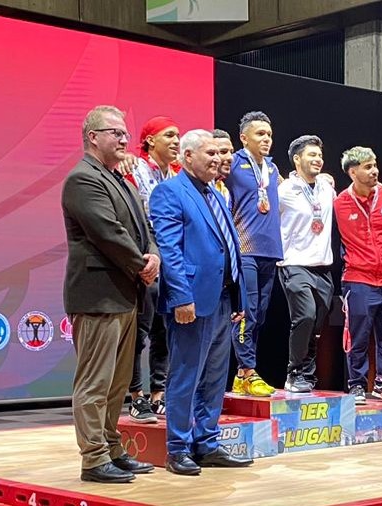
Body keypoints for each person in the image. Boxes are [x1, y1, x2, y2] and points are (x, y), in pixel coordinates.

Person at [61, 105, 160, 483]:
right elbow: (107, 232)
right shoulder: (82, 179)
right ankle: (93, 458)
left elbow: (142, 226)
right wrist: (142, 264)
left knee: (118, 384)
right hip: (97, 294)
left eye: (124, 132)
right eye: (115, 132)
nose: (123, 139)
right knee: (94, 383)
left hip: (124, 293)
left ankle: (113, 448)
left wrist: (152, 254)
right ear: (93, 137)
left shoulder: (120, 179)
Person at [149, 129, 252, 475]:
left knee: (214, 377)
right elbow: (170, 250)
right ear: (187, 157)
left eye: (220, 154)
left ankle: (207, 443)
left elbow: (229, 249)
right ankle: (178, 447)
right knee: (186, 375)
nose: (218, 159)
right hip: (191, 301)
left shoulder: (216, 195)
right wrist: (181, 296)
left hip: (223, 299)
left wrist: (239, 295)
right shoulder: (170, 192)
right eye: (209, 153)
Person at [334, 146, 382, 405]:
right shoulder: (339, 203)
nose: (374, 170)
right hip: (357, 278)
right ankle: (356, 385)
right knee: (358, 335)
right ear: (352, 172)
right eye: (368, 167)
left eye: (375, 164)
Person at [122, 116, 180, 423]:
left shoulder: (177, 173)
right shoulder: (134, 170)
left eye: (178, 135)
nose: (175, 141)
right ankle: (135, 396)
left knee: (165, 329)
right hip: (146, 252)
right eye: (169, 135)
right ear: (149, 141)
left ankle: (159, 393)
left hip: (173, 252)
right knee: (140, 330)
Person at [226, 111, 282, 397]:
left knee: (258, 315)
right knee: (246, 312)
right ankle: (248, 370)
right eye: (260, 134)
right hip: (244, 250)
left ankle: (241, 375)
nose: (266, 139)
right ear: (244, 137)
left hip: (270, 252)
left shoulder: (272, 169)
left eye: (269, 135)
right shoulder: (233, 164)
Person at [277, 135, 335, 393]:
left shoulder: (326, 187)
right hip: (294, 263)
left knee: (316, 324)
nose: (317, 160)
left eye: (320, 156)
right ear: (297, 159)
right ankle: (293, 372)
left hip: (323, 266)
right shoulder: (284, 190)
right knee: (305, 316)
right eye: (311, 155)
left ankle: (306, 376)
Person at [212, 129, 234, 206]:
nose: (230, 158)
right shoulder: (195, 189)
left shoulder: (224, 190)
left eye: (231, 152)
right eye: (223, 152)